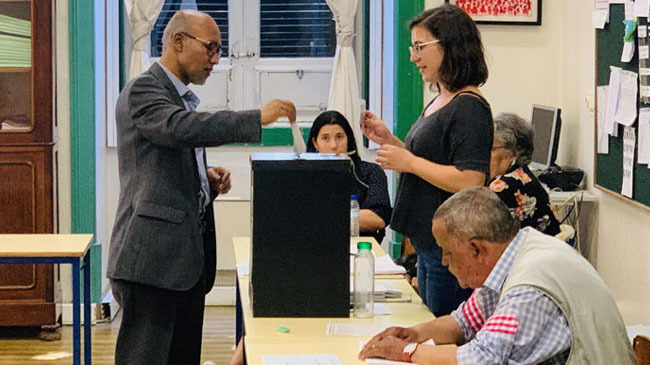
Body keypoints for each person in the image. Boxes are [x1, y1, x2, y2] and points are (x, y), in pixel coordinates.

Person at [106, 10, 296, 365]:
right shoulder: (144, 88)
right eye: (210, 48)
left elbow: (165, 153)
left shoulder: (178, 98)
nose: (214, 59)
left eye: (218, 51)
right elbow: (180, 129)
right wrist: (255, 118)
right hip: (150, 263)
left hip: (183, 264)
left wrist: (203, 183)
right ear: (178, 42)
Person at [359, 186, 637, 365]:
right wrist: (413, 333)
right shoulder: (515, 252)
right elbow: (464, 321)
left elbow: (484, 358)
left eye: (447, 252)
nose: (444, 262)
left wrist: (407, 352)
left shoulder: (529, 286)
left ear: (476, 248)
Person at [361, 4, 492, 316]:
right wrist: (390, 141)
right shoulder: (441, 99)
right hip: (427, 241)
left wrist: (408, 161)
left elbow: (470, 180)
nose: (413, 57)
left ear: (449, 46)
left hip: (449, 245)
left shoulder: (470, 107)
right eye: (412, 47)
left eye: (420, 47)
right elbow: (428, 159)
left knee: (441, 324)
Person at [306, 110, 392, 242]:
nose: (334, 145)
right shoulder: (305, 176)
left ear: (348, 139)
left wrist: (322, 218)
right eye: (325, 138)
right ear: (315, 143)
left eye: (340, 137)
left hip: (361, 249)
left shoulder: (370, 172)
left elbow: (378, 218)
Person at [489, 112, 561, 236]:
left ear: (513, 153)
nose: (485, 154)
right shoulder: (523, 174)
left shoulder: (504, 186)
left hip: (531, 252)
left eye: (492, 149)